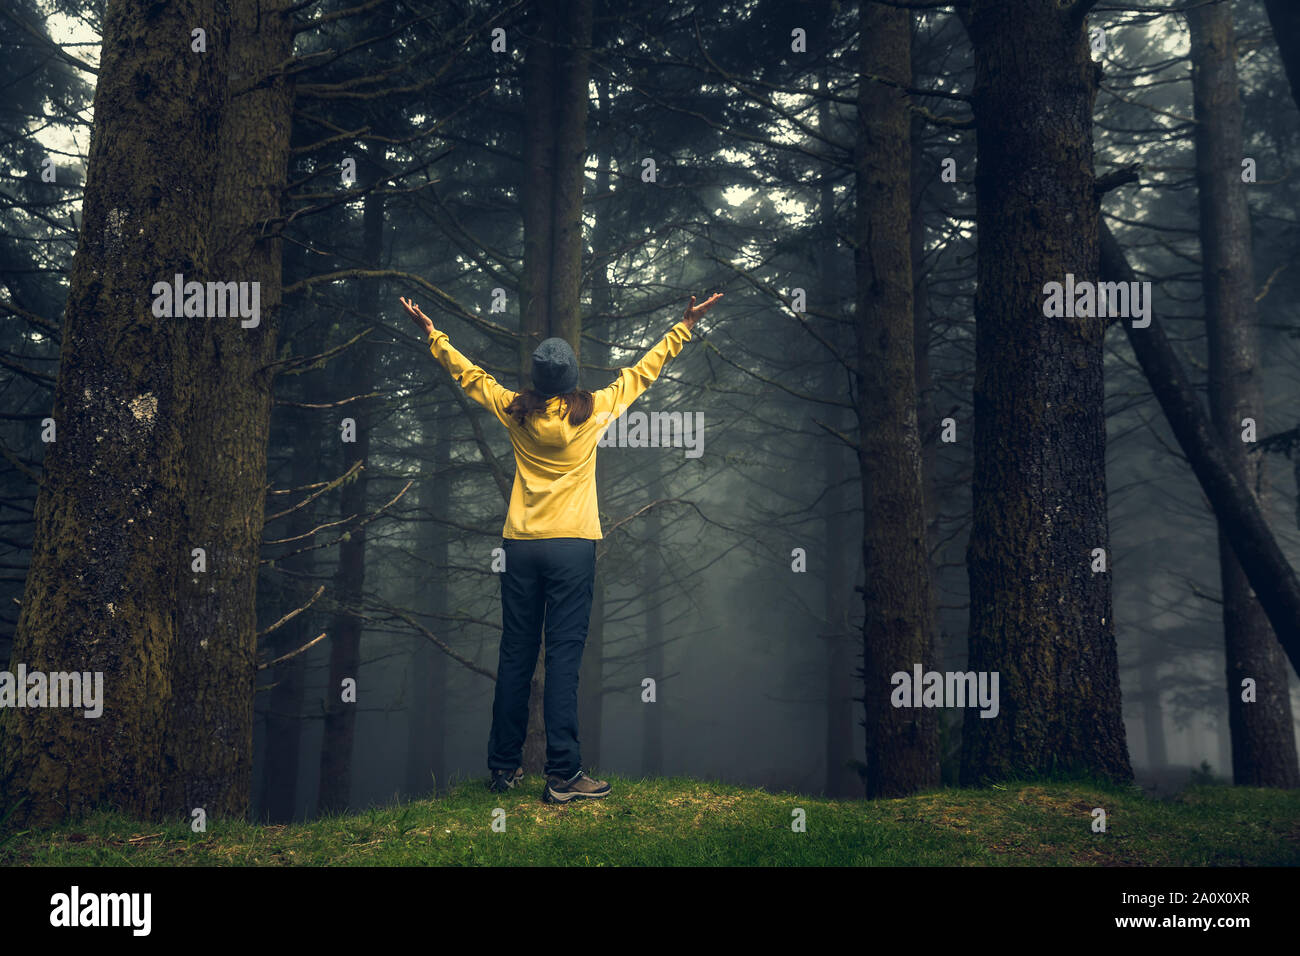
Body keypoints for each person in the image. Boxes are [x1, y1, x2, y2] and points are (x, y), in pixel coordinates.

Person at [400, 292, 723, 803]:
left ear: (535, 378)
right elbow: (643, 373)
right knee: (565, 660)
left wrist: (432, 333)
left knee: (515, 656)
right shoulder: (593, 412)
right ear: (571, 379)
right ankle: (563, 776)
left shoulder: (515, 411)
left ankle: (503, 771)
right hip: (571, 547)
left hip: (521, 545)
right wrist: (684, 325)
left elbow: (470, 375)